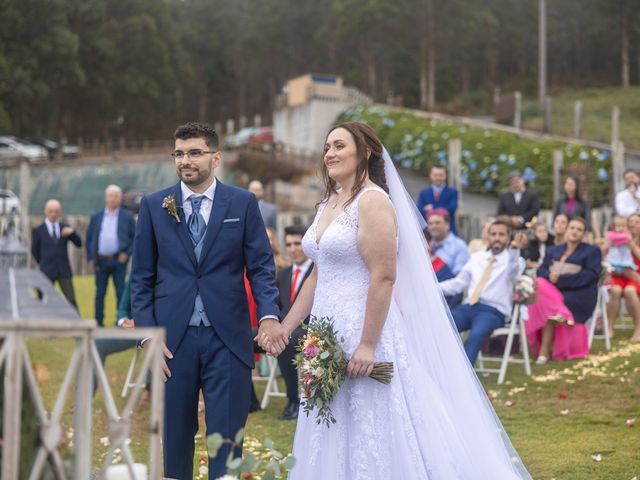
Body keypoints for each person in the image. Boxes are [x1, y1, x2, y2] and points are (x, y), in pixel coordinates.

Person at [259, 122, 531, 479]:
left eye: (339, 145)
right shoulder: (328, 201)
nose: (330, 153)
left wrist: (368, 345)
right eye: (327, 147)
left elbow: (383, 276)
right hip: (324, 330)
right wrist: (286, 327)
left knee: (372, 420)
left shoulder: (372, 201)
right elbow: (317, 273)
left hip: (364, 328)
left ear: (365, 152)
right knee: (330, 417)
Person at [131, 122, 282, 479]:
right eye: (179, 153)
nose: (186, 160)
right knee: (175, 440)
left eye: (194, 152)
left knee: (228, 443)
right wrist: (148, 336)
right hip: (172, 343)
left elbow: (261, 267)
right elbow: (141, 278)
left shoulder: (242, 203)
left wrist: (269, 316)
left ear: (215, 158)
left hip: (227, 339)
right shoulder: (155, 206)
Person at [439, 220, 527, 364]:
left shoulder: (516, 260)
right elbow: (458, 283)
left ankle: (463, 378)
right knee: (442, 325)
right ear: (488, 237)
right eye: (493, 234)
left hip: (493, 311)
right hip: (469, 307)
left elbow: (512, 274)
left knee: (476, 334)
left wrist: (515, 251)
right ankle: (442, 367)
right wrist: (432, 288)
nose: (497, 237)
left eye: (502, 234)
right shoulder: (476, 257)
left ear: (508, 237)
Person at [526, 217, 601, 363]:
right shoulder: (553, 250)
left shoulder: (591, 251)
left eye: (579, 229)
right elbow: (541, 270)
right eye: (572, 228)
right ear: (566, 230)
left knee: (544, 297)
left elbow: (590, 275)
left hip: (579, 295)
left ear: (584, 234)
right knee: (543, 289)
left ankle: (544, 350)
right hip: (553, 293)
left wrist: (560, 280)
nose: (574, 232)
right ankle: (545, 349)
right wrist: (549, 276)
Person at [275, 225, 314, 420]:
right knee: (241, 336)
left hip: (309, 330)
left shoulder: (317, 272)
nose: (292, 249)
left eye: (297, 243)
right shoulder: (282, 274)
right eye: (288, 244)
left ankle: (294, 401)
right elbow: (276, 305)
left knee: (286, 342)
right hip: (283, 329)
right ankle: (249, 401)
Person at [86, 185, 136, 326]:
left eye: (116, 196)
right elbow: (90, 238)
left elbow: (135, 238)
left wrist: (126, 254)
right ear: (106, 198)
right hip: (100, 261)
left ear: (120, 199)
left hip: (118, 261)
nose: (113, 199)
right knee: (100, 293)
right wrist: (92, 258)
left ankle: (120, 321)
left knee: (121, 292)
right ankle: (98, 322)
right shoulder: (96, 216)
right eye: (111, 196)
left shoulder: (127, 217)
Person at [31, 199, 82, 308]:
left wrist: (72, 233)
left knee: (71, 299)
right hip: (47, 270)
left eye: (56, 211)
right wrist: (44, 262)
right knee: (42, 298)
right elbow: (34, 250)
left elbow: (79, 243)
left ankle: (77, 323)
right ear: (45, 211)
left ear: (59, 212)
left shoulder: (65, 228)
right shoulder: (38, 231)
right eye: (51, 211)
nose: (53, 214)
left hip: (63, 269)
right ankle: (38, 322)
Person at [606, 213, 640, 341]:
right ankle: (609, 327)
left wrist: (632, 245)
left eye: (637, 222)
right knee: (615, 290)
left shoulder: (630, 241)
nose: (633, 224)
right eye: (631, 221)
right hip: (618, 276)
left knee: (630, 291)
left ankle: (638, 328)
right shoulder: (618, 238)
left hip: (635, 276)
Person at [416, 164, 459, 234]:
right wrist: (441, 208)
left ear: (445, 176)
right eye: (435, 175)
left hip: (448, 233)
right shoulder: (424, 192)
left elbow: (451, 209)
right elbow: (419, 211)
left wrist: (431, 208)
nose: (438, 177)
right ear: (430, 175)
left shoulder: (453, 192)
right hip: (428, 233)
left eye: (441, 175)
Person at [426, 208, 469, 274]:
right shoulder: (425, 246)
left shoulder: (459, 246)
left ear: (447, 225)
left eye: (437, 223)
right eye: (430, 223)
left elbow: (459, 277)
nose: (433, 226)